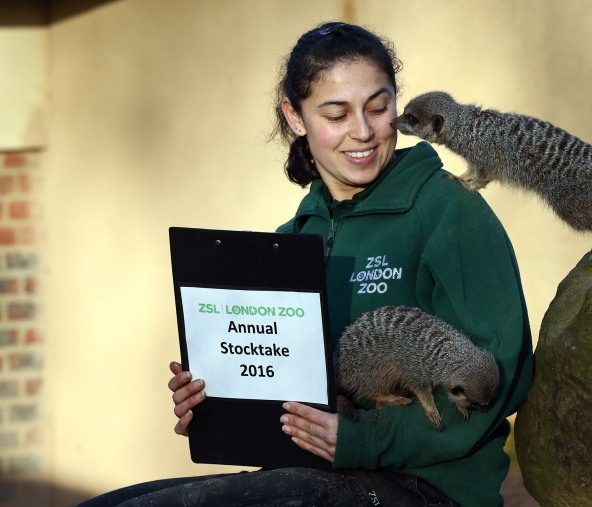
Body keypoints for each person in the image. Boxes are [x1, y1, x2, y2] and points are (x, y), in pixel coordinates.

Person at [80, 21, 534, 507]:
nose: (362, 131)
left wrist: (361, 439)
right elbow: (288, 393)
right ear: (295, 118)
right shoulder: (292, 240)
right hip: (310, 477)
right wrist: (218, 401)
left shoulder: (448, 210)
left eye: (378, 108)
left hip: (426, 488)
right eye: (336, 115)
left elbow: (498, 380)